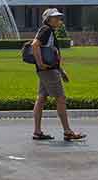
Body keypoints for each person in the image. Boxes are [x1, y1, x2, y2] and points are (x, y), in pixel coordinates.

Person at [31, 8, 86, 142]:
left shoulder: (48, 31)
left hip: (46, 70)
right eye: (55, 18)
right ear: (48, 19)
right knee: (60, 98)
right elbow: (35, 45)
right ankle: (67, 131)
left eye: (59, 17)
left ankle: (37, 131)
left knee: (41, 98)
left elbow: (52, 54)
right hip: (48, 71)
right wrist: (40, 63)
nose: (58, 20)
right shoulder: (46, 30)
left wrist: (60, 71)